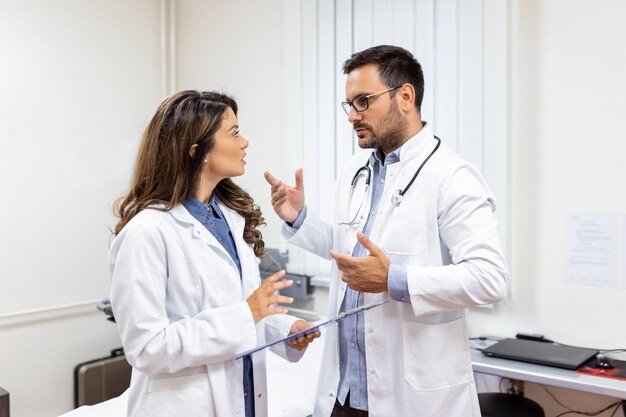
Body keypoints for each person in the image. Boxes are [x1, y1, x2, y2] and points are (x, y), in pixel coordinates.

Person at [265, 45, 508, 417]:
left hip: (412, 399)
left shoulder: (452, 176)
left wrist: (394, 279)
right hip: (344, 395)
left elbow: (489, 278)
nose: (352, 116)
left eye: (363, 101)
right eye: (348, 104)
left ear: (405, 96)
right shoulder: (355, 171)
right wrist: (299, 219)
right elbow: (348, 253)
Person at [109, 90, 319, 417]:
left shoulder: (230, 220)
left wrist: (284, 332)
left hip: (244, 398)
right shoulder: (147, 232)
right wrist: (246, 315)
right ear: (197, 150)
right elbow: (147, 348)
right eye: (234, 133)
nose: (245, 142)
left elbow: (241, 312)